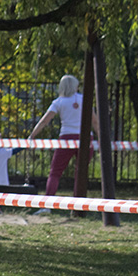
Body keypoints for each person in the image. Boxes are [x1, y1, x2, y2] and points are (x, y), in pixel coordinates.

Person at [28, 74, 99, 215]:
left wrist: (32, 135)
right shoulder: (84, 99)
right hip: (86, 138)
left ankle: (46, 206)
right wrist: (101, 139)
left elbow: (44, 121)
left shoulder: (58, 102)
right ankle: (77, 206)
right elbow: (95, 122)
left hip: (66, 137)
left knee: (55, 172)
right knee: (81, 172)